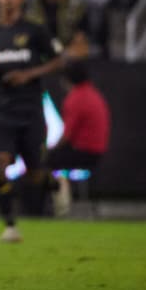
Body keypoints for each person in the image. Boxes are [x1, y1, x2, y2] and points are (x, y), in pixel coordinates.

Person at [0, 0, 67, 243]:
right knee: (0, 166)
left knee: (35, 175)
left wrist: (29, 74)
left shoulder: (36, 31)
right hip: (2, 111)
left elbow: (58, 61)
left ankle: (52, 182)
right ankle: (10, 226)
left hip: (32, 110)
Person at [48, 62, 111, 217]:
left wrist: (52, 149)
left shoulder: (75, 98)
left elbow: (67, 135)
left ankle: (60, 208)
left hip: (83, 152)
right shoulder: (93, 94)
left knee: (46, 162)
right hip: (96, 152)